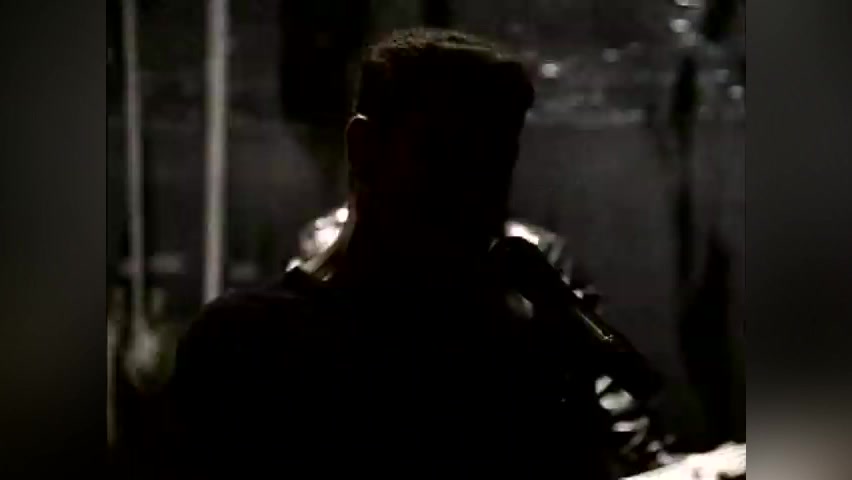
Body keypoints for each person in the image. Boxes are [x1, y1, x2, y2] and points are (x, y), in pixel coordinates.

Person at [166, 28, 617, 478]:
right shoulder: (247, 344)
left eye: (496, 161)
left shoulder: (514, 355)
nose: (472, 188)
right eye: (445, 154)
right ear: (363, 147)